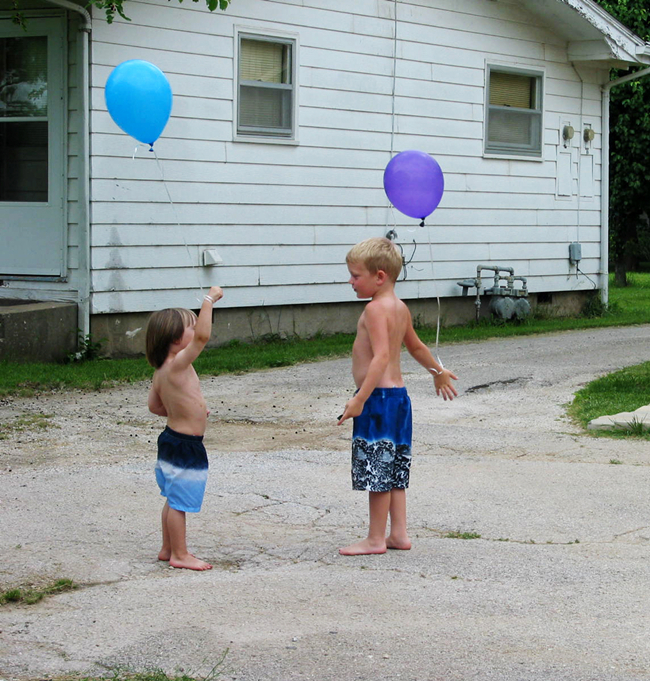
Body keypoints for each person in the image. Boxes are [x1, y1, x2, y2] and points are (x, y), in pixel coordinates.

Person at [337, 237, 457, 556]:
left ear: (380, 276)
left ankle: (376, 539)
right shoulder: (400, 307)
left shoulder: (375, 309)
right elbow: (416, 347)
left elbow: (380, 357)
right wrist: (438, 371)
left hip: (377, 401)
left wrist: (360, 398)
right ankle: (399, 534)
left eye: (355, 275)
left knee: (378, 470)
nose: (350, 281)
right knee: (394, 468)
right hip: (399, 399)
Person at [145, 286, 223, 571]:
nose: (197, 331)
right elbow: (203, 336)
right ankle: (180, 554)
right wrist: (208, 300)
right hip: (185, 445)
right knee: (180, 502)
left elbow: (154, 406)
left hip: (170, 440)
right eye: (191, 327)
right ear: (177, 339)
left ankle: (167, 548)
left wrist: (187, 410)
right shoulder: (178, 364)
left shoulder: (161, 370)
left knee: (172, 497)